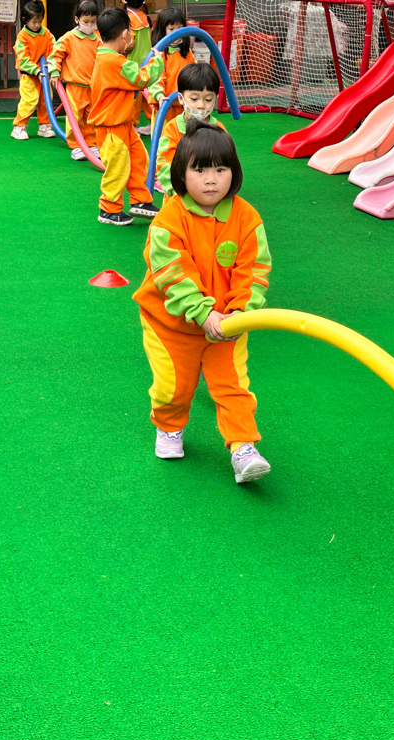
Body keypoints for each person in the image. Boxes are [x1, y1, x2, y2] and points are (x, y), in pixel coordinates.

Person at [132, 122, 273, 483]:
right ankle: (169, 426)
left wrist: (240, 314)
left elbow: (254, 270)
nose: (211, 180)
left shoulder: (247, 218)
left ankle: (243, 446)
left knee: (233, 386)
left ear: (234, 172)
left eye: (221, 169)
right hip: (171, 326)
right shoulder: (168, 220)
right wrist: (203, 312)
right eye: (200, 170)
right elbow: (172, 275)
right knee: (173, 388)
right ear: (181, 174)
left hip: (227, 325)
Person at [90, 6, 163, 225]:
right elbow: (141, 79)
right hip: (111, 127)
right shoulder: (114, 62)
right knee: (118, 168)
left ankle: (140, 200)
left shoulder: (107, 57)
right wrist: (158, 61)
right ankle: (108, 209)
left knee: (139, 159)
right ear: (125, 34)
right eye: (130, 33)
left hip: (123, 124)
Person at [154, 63, 225, 196]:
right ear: (181, 99)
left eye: (208, 99)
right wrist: (177, 191)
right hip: (179, 195)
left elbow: (226, 163)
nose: (201, 105)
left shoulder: (218, 128)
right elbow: (164, 165)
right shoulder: (173, 129)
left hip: (210, 196)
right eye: (194, 99)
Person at [48, 0, 101, 160]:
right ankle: (76, 146)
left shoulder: (98, 40)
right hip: (75, 86)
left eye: (93, 22)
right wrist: (54, 71)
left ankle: (91, 143)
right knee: (75, 117)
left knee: (91, 116)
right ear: (77, 19)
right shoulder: (69, 38)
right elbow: (55, 54)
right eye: (86, 21)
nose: (90, 25)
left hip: (93, 87)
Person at [11, 0, 56, 141]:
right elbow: (23, 58)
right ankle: (19, 126)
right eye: (34, 22)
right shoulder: (22, 36)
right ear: (25, 19)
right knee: (29, 100)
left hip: (44, 74)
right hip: (30, 75)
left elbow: (54, 49)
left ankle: (44, 125)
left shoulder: (46, 33)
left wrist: (52, 66)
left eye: (39, 21)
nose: (37, 25)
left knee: (46, 99)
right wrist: (36, 71)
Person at [146, 8, 195, 125]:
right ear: (163, 30)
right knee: (165, 135)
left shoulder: (187, 53)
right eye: (171, 29)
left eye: (180, 28)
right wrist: (159, 96)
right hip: (165, 107)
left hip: (184, 107)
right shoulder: (160, 54)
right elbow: (156, 78)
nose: (176, 33)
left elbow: (194, 74)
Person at [123, 0, 154, 134]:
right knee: (148, 94)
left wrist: (121, 49)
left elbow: (130, 44)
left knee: (134, 96)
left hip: (133, 63)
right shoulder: (145, 17)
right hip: (147, 61)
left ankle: (133, 125)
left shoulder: (129, 19)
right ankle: (153, 122)